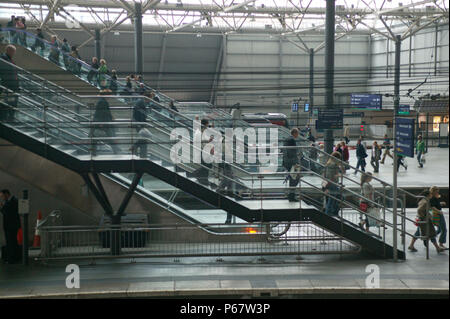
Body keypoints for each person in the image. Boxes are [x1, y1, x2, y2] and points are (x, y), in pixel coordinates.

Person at [90, 90, 120, 155]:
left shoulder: (102, 101)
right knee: (110, 136)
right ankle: (116, 151)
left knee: (95, 137)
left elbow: (103, 112)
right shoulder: (103, 102)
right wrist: (101, 123)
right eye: (109, 95)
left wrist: (111, 117)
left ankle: (93, 152)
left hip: (101, 122)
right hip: (104, 122)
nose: (110, 97)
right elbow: (101, 113)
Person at [0, 189, 21, 264]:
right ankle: (13, 257)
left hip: (11, 226)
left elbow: (7, 213)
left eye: (2, 196)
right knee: (12, 242)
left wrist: (2, 207)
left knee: (11, 242)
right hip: (10, 225)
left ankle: (12, 259)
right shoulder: (11, 201)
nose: (2, 198)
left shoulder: (13, 201)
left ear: (6, 194)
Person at [0, 45, 19, 122]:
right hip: (8, 84)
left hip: (11, 85)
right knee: (8, 101)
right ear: (8, 50)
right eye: (13, 52)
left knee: (11, 101)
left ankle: (10, 116)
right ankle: (7, 117)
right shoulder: (4, 59)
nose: (14, 53)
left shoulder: (8, 58)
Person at [323, 151, 343, 216]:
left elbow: (326, 174)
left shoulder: (328, 164)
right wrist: (338, 175)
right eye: (339, 158)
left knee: (332, 199)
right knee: (334, 199)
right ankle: (328, 213)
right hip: (332, 183)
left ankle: (333, 212)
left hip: (328, 183)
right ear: (336, 158)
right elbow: (332, 175)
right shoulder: (334, 165)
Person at [283, 128, 300, 202]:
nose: (298, 135)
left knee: (292, 178)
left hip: (287, 162)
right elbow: (292, 152)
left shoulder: (287, 139)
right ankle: (291, 196)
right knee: (295, 179)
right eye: (297, 133)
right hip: (291, 163)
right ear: (295, 133)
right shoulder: (292, 140)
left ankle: (291, 195)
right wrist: (295, 163)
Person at [430, 186, 447, 250]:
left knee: (440, 229)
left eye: (438, 190)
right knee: (444, 229)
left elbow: (435, 204)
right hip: (437, 214)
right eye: (436, 190)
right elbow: (432, 206)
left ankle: (431, 237)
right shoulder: (432, 197)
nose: (438, 192)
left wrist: (440, 203)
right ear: (433, 191)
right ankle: (441, 243)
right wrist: (439, 211)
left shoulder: (434, 197)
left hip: (436, 214)